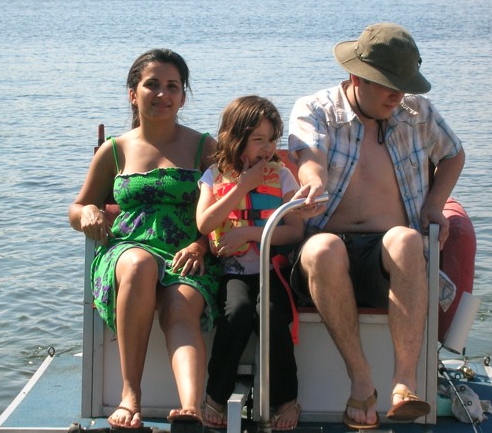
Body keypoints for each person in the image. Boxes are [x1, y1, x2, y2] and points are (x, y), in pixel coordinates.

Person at [287, 23, 465, 429]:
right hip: (325, 257)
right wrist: (312, 180)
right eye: (388, 85)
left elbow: (454, 154)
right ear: (355, 77)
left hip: (388, 260)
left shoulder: (418, 113)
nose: (397, 96)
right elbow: (309, 155)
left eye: (402, 86)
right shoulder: (315, 109)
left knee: (405, 240)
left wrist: (435, 205)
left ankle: (404, 383)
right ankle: (361, 378)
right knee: (323, 249)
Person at [68, 48, 222, 430]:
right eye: (151, 84)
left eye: (172, 86)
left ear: (183, 97)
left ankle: (191, 409)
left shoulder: (205, 147)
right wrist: (87, 212)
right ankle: (129, 394)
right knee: (139, 264)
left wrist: (202, 245)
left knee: (180, 306)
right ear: (133, 93)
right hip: (126, 252)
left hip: (186, 254)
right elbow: (78, 207)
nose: (162, 94)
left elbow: (229, 211)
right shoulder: (115, 151)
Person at [196, 96, 304, 431]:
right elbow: (205, 224)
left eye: (273, 139)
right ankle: (216, 392)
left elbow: (295, 229)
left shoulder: (284, 177)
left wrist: (249, 233)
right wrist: (243, 185)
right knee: (238, 312)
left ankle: (285, 398)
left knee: (270, 315)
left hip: (273, 271)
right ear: (236, 138)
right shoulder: (213, 176)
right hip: (234, 272)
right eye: (259, 139)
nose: (268, 148)